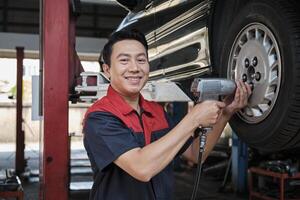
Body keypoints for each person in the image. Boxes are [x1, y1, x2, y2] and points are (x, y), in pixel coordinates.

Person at [83, 29, 252, 200]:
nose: (134, 68)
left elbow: (194, 154)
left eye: (141, 60)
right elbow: (142, 168)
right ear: (107, 70)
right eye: (124, 60)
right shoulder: (100, 117)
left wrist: (226, 113)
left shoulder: (156, 112)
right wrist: (193, 118)